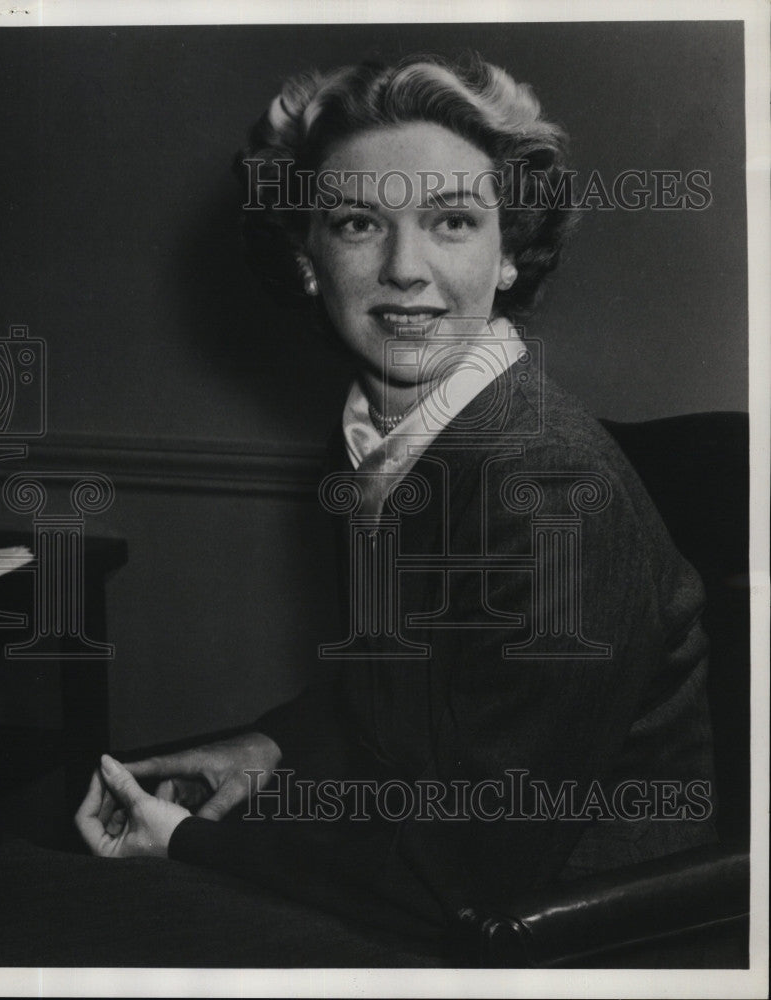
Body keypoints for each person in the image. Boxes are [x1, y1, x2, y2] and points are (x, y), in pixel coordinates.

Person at [73, 54, 718, 952]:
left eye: (452, 220)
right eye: (357, 223)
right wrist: (268, 750)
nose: (404, 268)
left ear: (509, 256)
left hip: (587, 933)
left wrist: (190, 841)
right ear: (307, 261)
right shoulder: (395, 440)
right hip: (430, 876)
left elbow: (477, 862)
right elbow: (411, 694)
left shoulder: (550, 485)